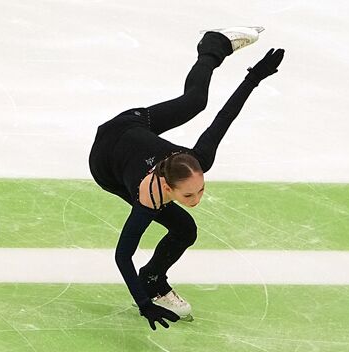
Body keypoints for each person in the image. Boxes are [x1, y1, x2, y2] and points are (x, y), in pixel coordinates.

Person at [88, 27, 284, 331]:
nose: (197, 199)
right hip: (106, 164)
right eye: (189, 196)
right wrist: (144, 305)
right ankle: (152, 282)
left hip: (135, 126)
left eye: (200, 190)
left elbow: (224, 116)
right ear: (168, 187)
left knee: (195, 101)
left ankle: (215, 44)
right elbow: (122, 256)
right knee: (185, 227)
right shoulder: (149, 197)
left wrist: (253, 78)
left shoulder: (198, 160)